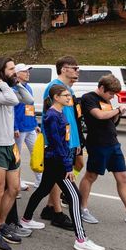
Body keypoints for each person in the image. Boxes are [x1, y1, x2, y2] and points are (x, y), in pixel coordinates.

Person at [22, 84, 104, 250]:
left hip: (57, 160)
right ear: (56, 98)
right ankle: (81, 239)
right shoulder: (52, 116)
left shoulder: (59, 113)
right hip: (57, 161)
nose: (69, 98)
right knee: (75, 197)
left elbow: (64, 140)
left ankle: (26, 219)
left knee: (43, 189)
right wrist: (68, 166)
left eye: (69, 95)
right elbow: (57, 144)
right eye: (65, 95)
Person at [78, 75, 126, 229]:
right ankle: (82, 208)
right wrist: (117, 109)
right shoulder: (88, 98)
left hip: (113, 143)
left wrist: (118, 113)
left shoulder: (107, 100)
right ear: (102, 88)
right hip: (98, 143)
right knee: (91, 176)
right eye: (111, 93)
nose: (112, 97)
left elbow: (110, 120)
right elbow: (98, 115)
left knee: (123, 177)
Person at [0, 56, 33, 250]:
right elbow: (11, 100)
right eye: (10, 69)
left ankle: (2, 225)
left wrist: (15, 83)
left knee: (14, 189)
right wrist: (3, 82)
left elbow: (27, 99)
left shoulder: (8, 87)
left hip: (11, 145)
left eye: (14, 69)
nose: (14, 72)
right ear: (0, 71)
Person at [39, 56, 84, 229]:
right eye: (75, 68)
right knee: (59, 176)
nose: (77, 71)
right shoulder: (54, 88)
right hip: (59, 142)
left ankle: (50, 207)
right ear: (64, 69)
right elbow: (47, 116)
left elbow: (72, 117)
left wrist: (76, 139)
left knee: (53, 179)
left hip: (69, 139)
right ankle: (57, 212)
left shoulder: (68, 89)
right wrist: (52, 141)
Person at [13, 64, 39, 189]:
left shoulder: (29, 87)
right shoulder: (13, 88)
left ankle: (39, 179)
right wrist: (15, 127)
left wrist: (34, 123)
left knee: (36, 153)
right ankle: (17, 180)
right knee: (18, 156)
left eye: (28, 71)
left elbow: (30, 107)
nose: (28, 73)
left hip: (30, 127)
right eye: (25, 72)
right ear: (17, 74)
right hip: (19, 129)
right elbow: (11, 110)